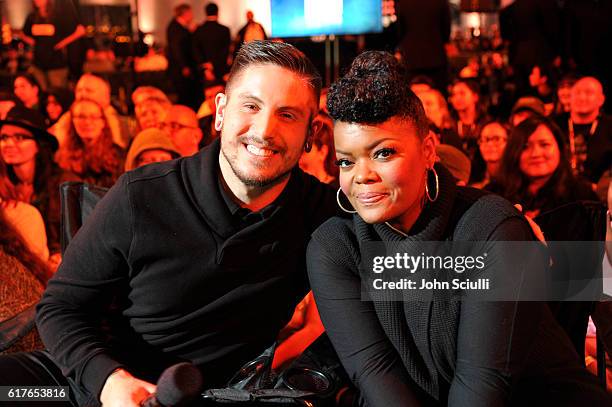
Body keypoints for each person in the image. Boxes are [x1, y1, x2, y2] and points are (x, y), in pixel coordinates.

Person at [0, 40, 336, 407]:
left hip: (204, 395)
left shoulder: (324, 215)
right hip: (92, 383)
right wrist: (109, 381)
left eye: (287, 115)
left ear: (311, 132)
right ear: (221, 111)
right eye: (250, 106)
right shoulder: (140, 196)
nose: (264, 129)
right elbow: (60, 307)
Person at [306, 50, 610, 406]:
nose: (362, 176)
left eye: (384, 152)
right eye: (346, 161)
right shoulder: (335, 246)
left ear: (429, 148)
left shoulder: (490, 228)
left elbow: (483, 384)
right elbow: (375, 372)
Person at [0, 106, 77, 264]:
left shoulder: (65, 185)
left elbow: (80, 236)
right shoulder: (3, 185)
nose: (8, 144)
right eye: (3, 138)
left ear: (38, 145)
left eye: (19, 138)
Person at [488, 115, 598, 218]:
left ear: (559, 148)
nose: (536, 153)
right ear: (514, 152)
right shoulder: (493, 196)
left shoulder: (583, 197)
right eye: (525, 146)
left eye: (544, 144)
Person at [55, 98, 125, 188]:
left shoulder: (119, 156)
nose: (87, 122)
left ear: (103, 122)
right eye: (81, 117)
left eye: (94, 117)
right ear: (72, 121)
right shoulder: (61, 157)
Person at [555, 76, 612, 184]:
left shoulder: (609, 126)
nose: (582, 97)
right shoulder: (555, 124)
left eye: (589, 93)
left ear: (601, 99)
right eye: (577, 93)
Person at [20, 0, 85, 90]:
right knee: (42, 93)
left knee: (57, 92)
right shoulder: (32, 17)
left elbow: (79, 31)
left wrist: (61, 44)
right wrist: (33, 42)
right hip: (38, 63)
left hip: (56, 63)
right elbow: (23, 34)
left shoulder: (58, 16)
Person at [395, 0, 451, 92]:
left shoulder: (402, 2)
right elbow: (446, 29)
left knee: (411, 97)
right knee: (437, 95)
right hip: (436, 56)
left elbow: (399, 30)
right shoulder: (440, 2)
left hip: (411, 57)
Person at [166, 3, 198, 109]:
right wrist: (184, 66)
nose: (192, 15)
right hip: (179, 69)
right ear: (185, 13)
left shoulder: (177, 26)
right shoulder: (176, 28)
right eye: (190, 13)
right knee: (184, 96)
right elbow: (177, 49)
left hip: (180, 68)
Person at [193, 2, 231, 88]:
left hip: (204, 72)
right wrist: (214, 65)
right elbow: (225, 51)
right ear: (217, 12)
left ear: (206, 13)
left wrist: (206, 68)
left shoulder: (199, 30)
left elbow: (196, 51)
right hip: (221, 70)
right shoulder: (224, 30)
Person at [470, 120, 509, 189]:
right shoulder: (471, 175)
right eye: (484, 139)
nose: (489, 144)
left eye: (497, 139)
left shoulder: (515, 182)